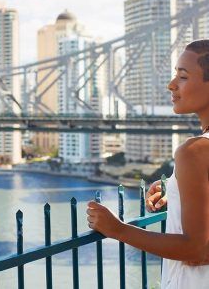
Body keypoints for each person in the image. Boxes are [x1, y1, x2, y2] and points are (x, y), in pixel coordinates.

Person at [86, 39, 209, 288]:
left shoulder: (194, 151)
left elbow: (197, 249)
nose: (171, 84)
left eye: (183, 77)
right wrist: (176, 192)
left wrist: (117, 229)